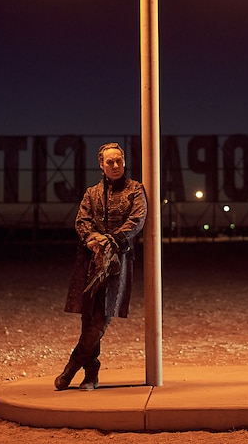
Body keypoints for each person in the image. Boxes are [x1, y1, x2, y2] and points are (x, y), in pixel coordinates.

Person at [55, 142, 147, 391]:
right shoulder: (91, 193)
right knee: (87, 317)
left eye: (118, 161)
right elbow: (81, 220)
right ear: (101, 164)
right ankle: (91, 375)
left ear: (124, 162)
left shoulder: (135, 190)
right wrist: (92, 239)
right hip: (89, 260)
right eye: (110, 162)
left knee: (100, 319)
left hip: (118, 262)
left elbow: (137, 219)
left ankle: (70, 368)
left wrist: (112, 239)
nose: (115, 165)